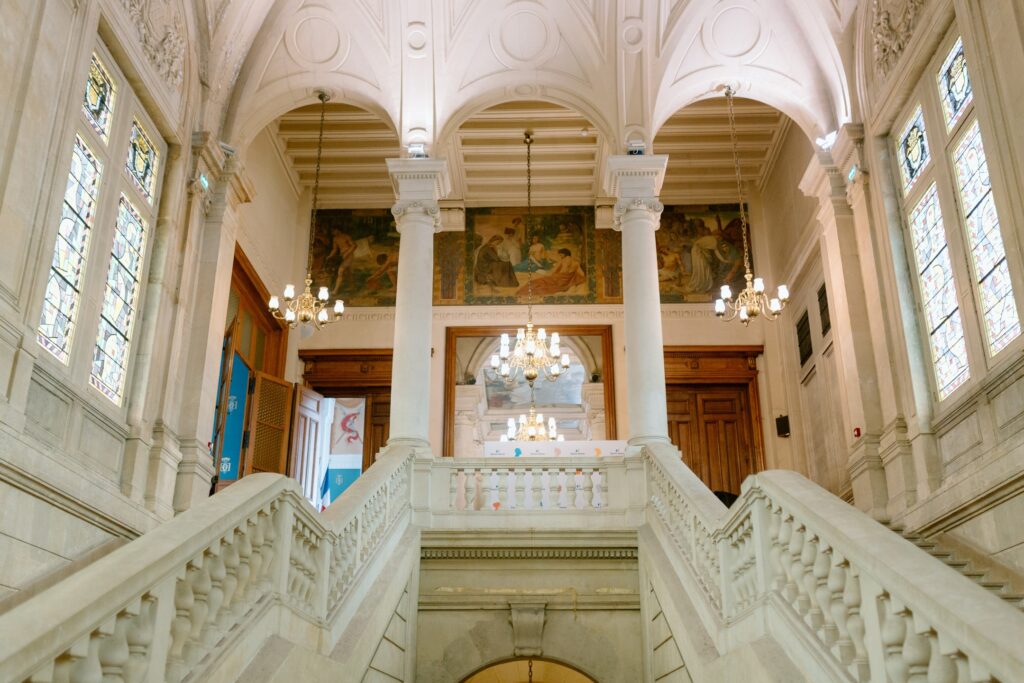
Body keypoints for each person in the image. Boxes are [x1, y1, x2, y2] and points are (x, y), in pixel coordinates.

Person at [518, 248, 585, 296]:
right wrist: (573, 276)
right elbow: (582, 274)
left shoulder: (563, 260)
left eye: (560, 255)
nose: (560, 256)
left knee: (540, 282)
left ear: (564, 254)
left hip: (559, 279)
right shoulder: (576, 263)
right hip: (566, 280)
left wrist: (547, 274)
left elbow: (554, 271)